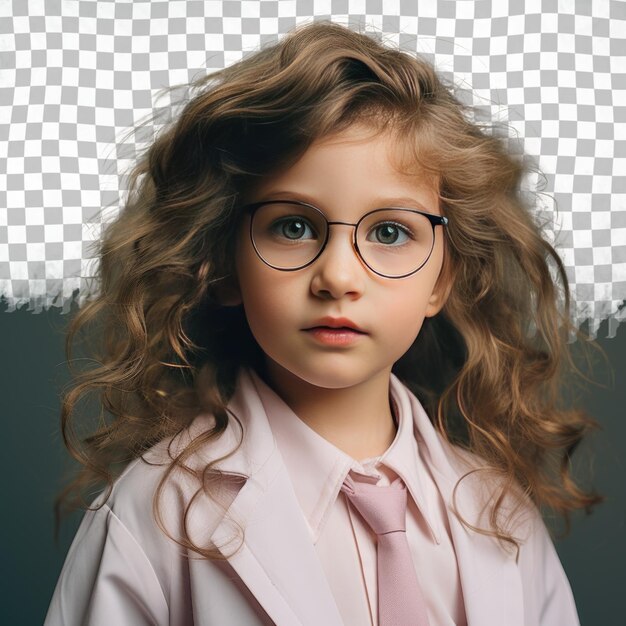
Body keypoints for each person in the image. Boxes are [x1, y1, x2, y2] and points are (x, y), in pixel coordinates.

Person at [45, 20, 603, 626]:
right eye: (293, 226)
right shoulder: (152, 515)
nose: (337, 277)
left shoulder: (502, 516)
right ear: (225, 264)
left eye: (390, 232)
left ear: (442, 280)